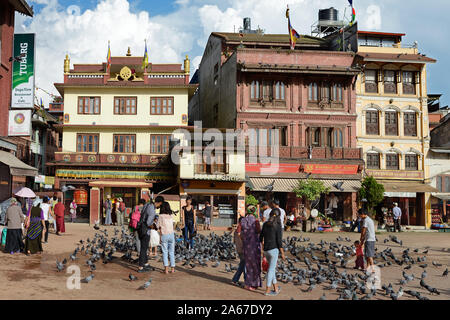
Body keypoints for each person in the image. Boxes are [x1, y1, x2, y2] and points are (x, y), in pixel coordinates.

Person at [260, 208, 286, 296]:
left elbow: (260, 238)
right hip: (274, 250)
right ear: (278, 216)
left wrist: (263, 248)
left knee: (271, 269)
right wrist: (282, 253)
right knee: (271, 270)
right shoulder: (278, 226)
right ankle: (267, 290)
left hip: (266, 250)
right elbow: (279, 241)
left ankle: (276, 288)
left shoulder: (265, 224)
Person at [238, 206, 262, 291]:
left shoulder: (243, 220)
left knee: (248, 265)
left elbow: (239, 233)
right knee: (255, 264)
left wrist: (244, 239)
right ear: (254, 211)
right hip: (255, 246)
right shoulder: (256, 221)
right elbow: (259, 231)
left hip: (246, 246)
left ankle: (248, 283)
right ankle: (254, 284)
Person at [137, 197, 158, 273]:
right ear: (159, 202)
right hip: (145, 231)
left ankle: (145, 263)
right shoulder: (152, 209)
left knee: (144, 248)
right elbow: (149, 223)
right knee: (143, 248)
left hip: (140, 229)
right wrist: (155, 227)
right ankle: (141, 267)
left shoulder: (146, 205)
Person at [157, 200, 176, 274]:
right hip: (171, 235)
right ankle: (173, 269)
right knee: (171, 252)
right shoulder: (170, 216)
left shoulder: (160, 216)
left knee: (165, 252)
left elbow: (158, 226)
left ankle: (166, 270)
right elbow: (173, 224)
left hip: (164, 235)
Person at [231, 217, 246, 286]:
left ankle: (235, 279)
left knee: (242, 265)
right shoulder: (242, 231)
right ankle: (245, 281)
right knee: (244, 266)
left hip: (239, 250)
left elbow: (234, 241)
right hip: (243, 250)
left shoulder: (236, 231)